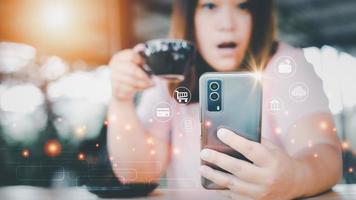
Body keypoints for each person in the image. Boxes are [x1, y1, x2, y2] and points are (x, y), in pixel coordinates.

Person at [107, 0, 342, 199]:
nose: (227, 25)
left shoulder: (286, 64)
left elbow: (326, 155)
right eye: (210, 6)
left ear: (257, 15)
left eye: (243, 6)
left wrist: (295, 179)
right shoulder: (170, 73)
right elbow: (138, 173)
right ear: (190, 17)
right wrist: (121, 99)